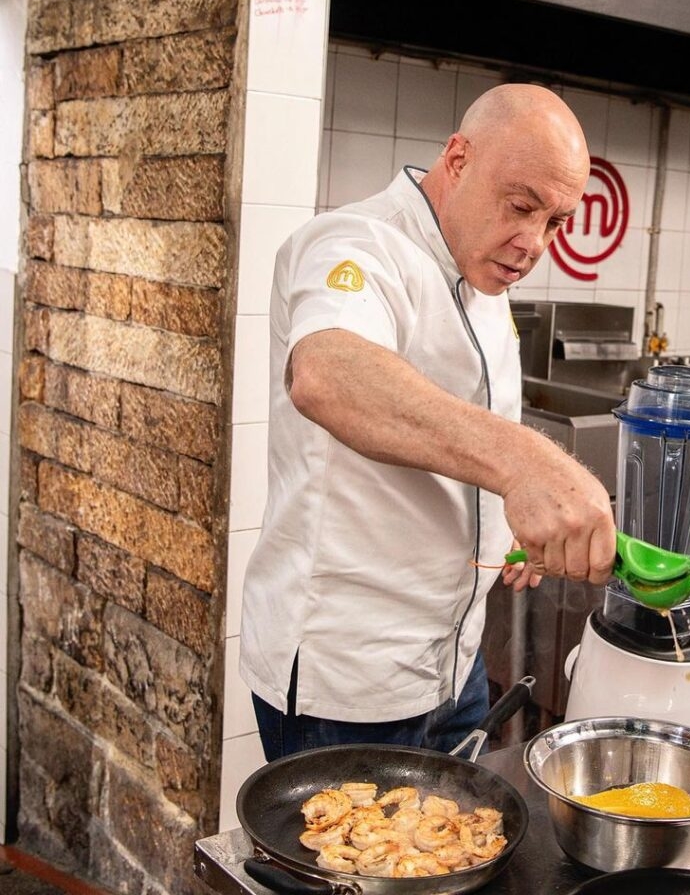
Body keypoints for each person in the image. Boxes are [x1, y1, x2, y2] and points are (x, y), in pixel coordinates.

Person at [239, 83, 618, 761]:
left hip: (454, 663)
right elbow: (329, 375)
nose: (534, 243)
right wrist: (527, 464)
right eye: (521, 206)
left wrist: (509, 523)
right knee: (352, 867)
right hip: (351, 680)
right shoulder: (355, 244)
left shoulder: (484, 270)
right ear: (458, 158)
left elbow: (455, 429)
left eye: (556, 221)